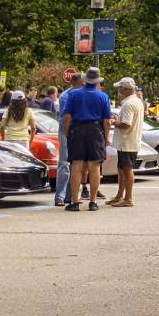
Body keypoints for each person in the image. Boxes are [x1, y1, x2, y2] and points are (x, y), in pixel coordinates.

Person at [61, 67, 112, 212]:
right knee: (94, 167)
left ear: (85, 79)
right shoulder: (103, 96)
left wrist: (67, 133)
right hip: (95, 131)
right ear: (97, 81)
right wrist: (106, 137)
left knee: (76, 165)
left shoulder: (74, 94)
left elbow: (67, 117)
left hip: (77, 130)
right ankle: (93, 201)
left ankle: (75, 201)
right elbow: (107, 120)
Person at [109, 77, 144, 207]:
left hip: (126, 142)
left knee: (127, 170)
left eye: (120, 88)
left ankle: (128, 198)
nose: (119, 90)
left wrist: (114, 122)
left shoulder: (129, 104)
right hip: (130, 141)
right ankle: (120, 196)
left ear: (126, 89)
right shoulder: (137, 101)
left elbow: (126, 124)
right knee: (122, 169)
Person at [54, 74, 83, 206]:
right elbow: (67, 117)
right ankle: (60, 196)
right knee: (64, 163)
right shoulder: (66, 96)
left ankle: (70, 196)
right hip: (66, 130)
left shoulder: (80, 93)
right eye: (83, 82)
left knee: (75, 164)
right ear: (77, 82)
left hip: (77, 130)